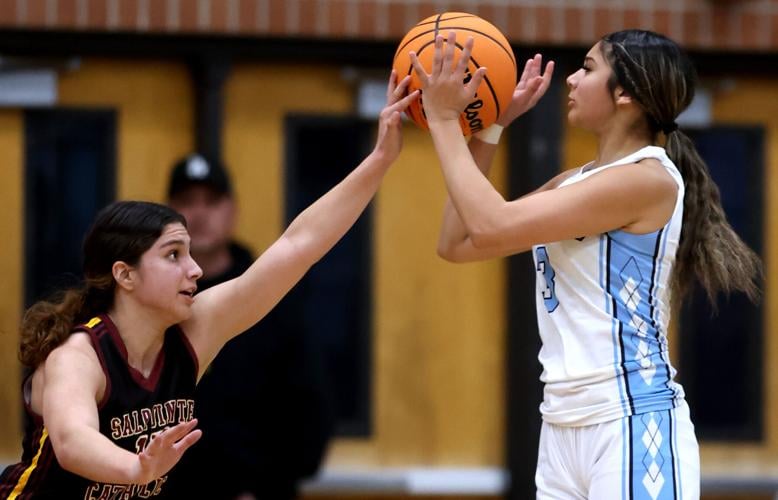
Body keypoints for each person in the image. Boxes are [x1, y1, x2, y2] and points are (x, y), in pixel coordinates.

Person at [0, 71, 418, 500]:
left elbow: (299, 245)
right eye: (173, 255)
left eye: (189, 253)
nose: (196, 269)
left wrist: (380, 159)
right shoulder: (78, 356)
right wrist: (136, 468)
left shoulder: (190, 335)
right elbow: (72, 441)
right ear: (125, 275)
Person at [411, 30, 761, 498]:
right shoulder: (572, 182)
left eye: (588, 68)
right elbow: (458, 241)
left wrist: (443, 120)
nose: (572, 80)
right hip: (561, 426)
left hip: (630, 419)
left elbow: (490, 224)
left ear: (626, 93)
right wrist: (492, 128)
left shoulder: (647, 179)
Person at [161, 153, 334, 500]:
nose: (199, 213)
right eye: (187, 202)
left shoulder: (273, 293)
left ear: (232, 210)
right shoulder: (151, 299)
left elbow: (308, 407)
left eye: (212, 201)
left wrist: (263, 485)